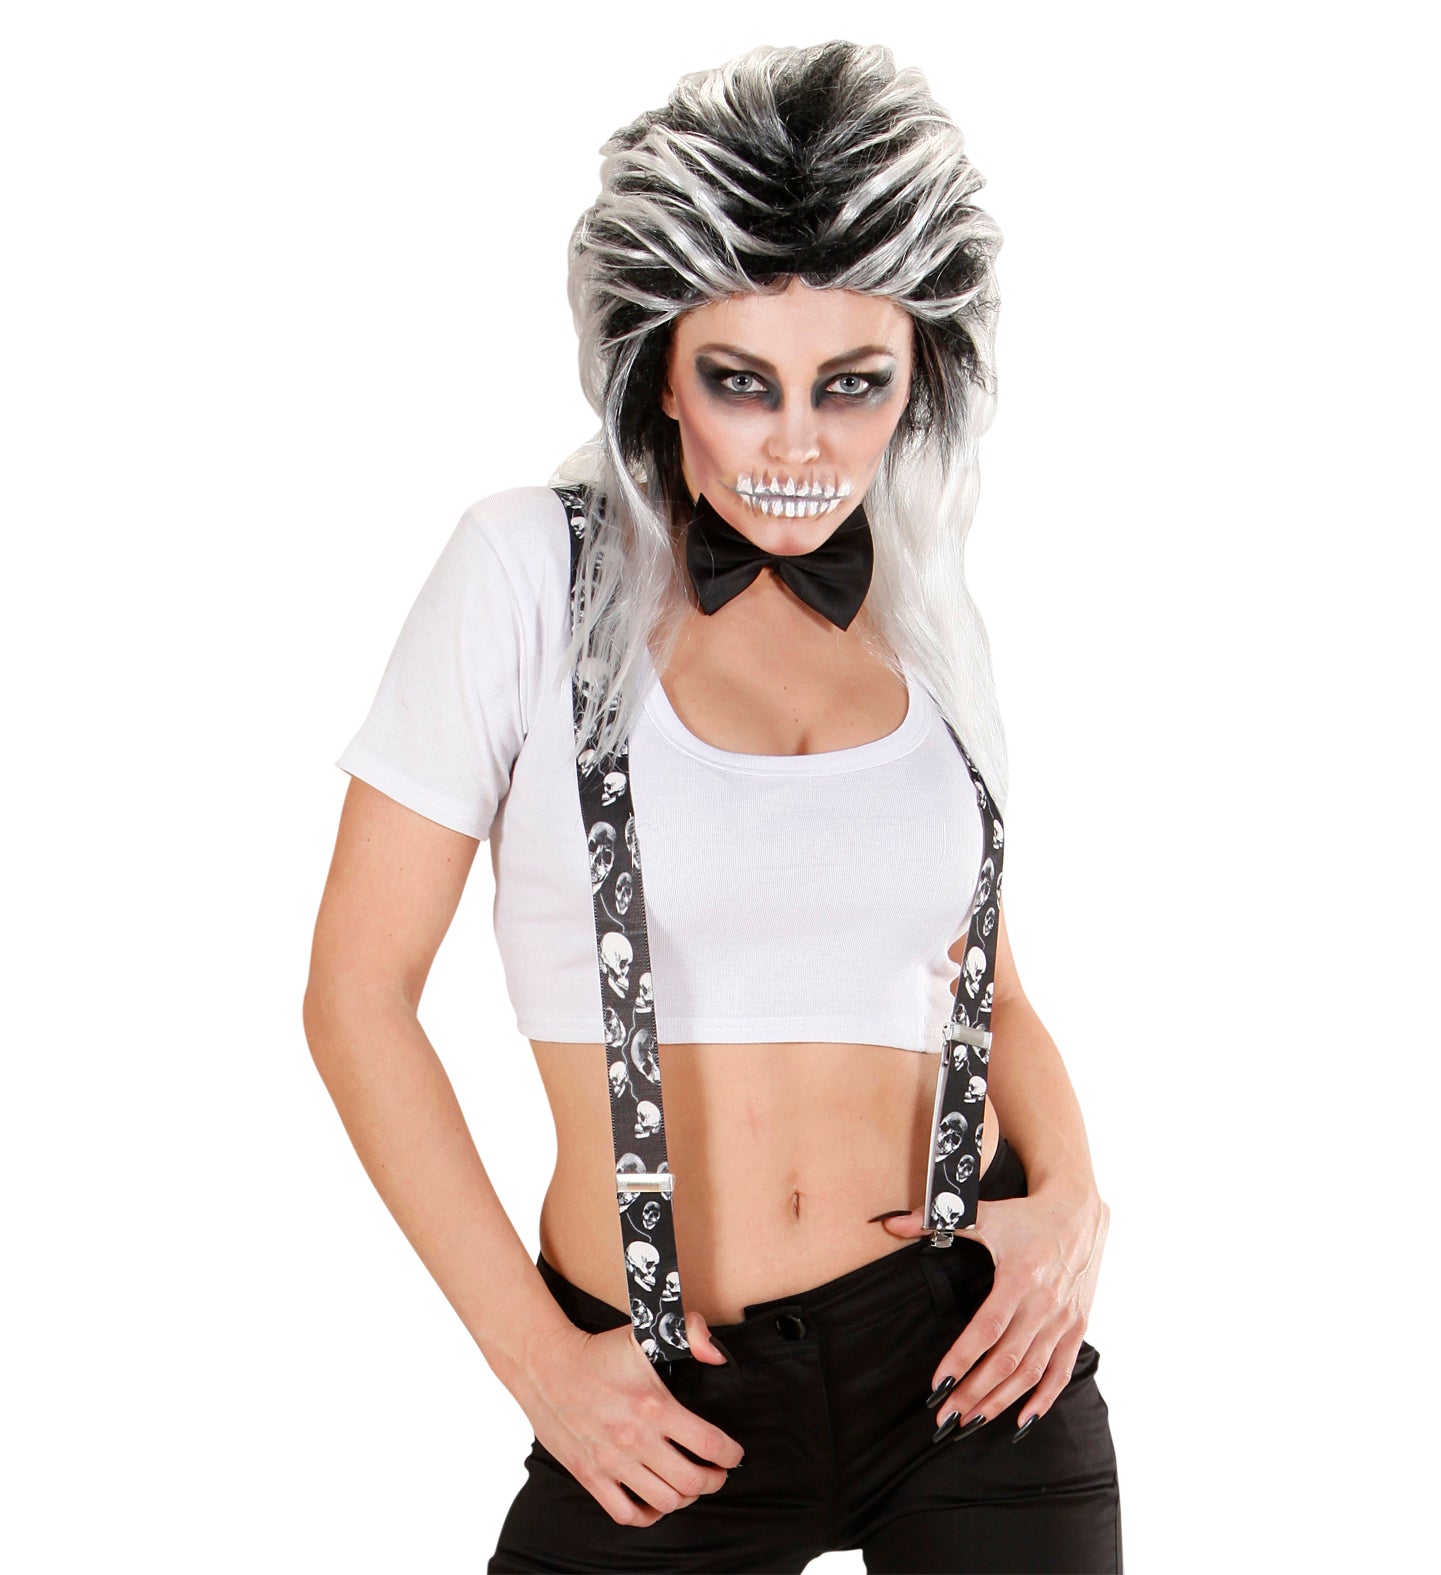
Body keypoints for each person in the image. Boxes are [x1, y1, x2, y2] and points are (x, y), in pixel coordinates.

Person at [305, 39, 1122, 1574]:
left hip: (971, 1366)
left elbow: (988, 989)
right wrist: (536, 1361)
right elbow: (356, 994)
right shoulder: (527, 574)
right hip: (655, 1393)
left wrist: (1073, 1196)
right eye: (742, 382)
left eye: (852, 385)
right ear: (659, 373)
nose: (801, 444)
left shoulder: (925, 611)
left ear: (919, 377)